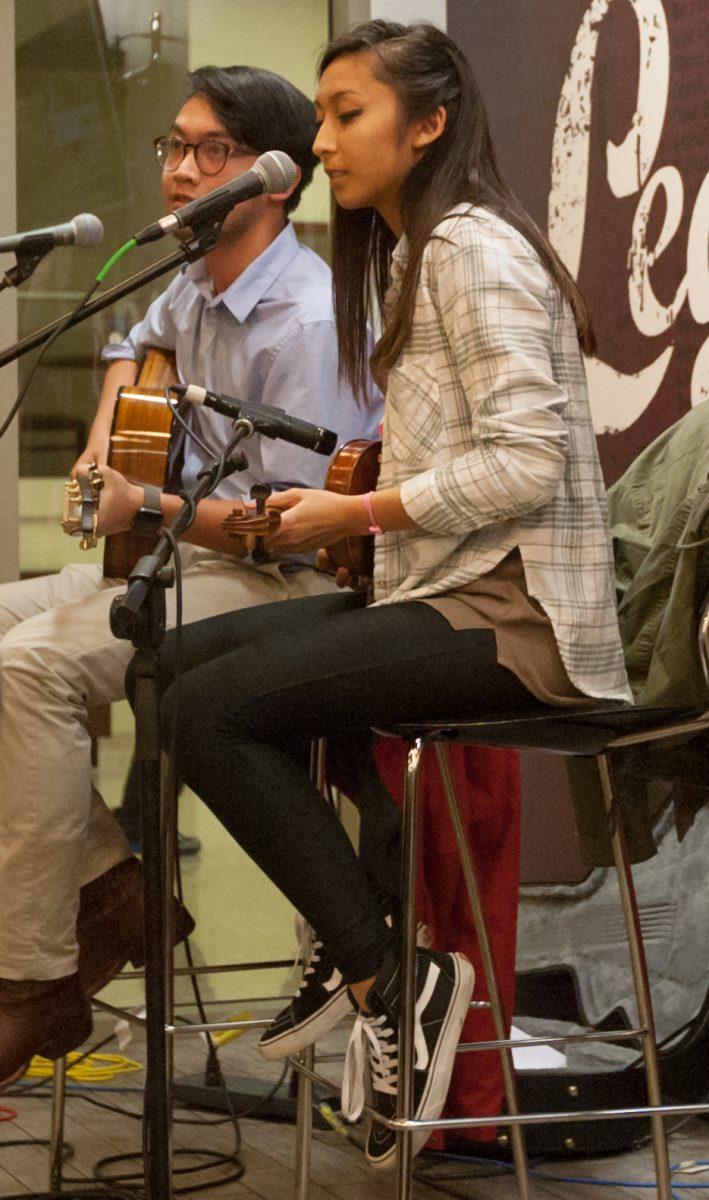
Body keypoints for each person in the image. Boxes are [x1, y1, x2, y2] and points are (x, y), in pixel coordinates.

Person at [139, 19, 631, 1168]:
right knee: (168, 665)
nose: (320, 141)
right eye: (319, 115)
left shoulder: (469, 247)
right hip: (452, 589)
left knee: (208, 712)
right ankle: (371, 932)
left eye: (344, 115)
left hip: (519, 622)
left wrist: (356, 515)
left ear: (428, 124)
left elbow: (528, 460)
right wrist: (359, 526)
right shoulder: (417, 251)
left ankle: (386, 970)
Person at [0, 64, 380, 1091]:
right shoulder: (193, 283)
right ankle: (112, 889)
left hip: (284, 587)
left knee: (29, 666)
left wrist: (151, 506)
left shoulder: (305, 319)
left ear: (272, 180)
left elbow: (296, 529)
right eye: (172, 146)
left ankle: (34, 975)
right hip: (189, 560)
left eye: (209, 152)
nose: (178, 173)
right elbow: (131, 341)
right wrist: (105, 445)